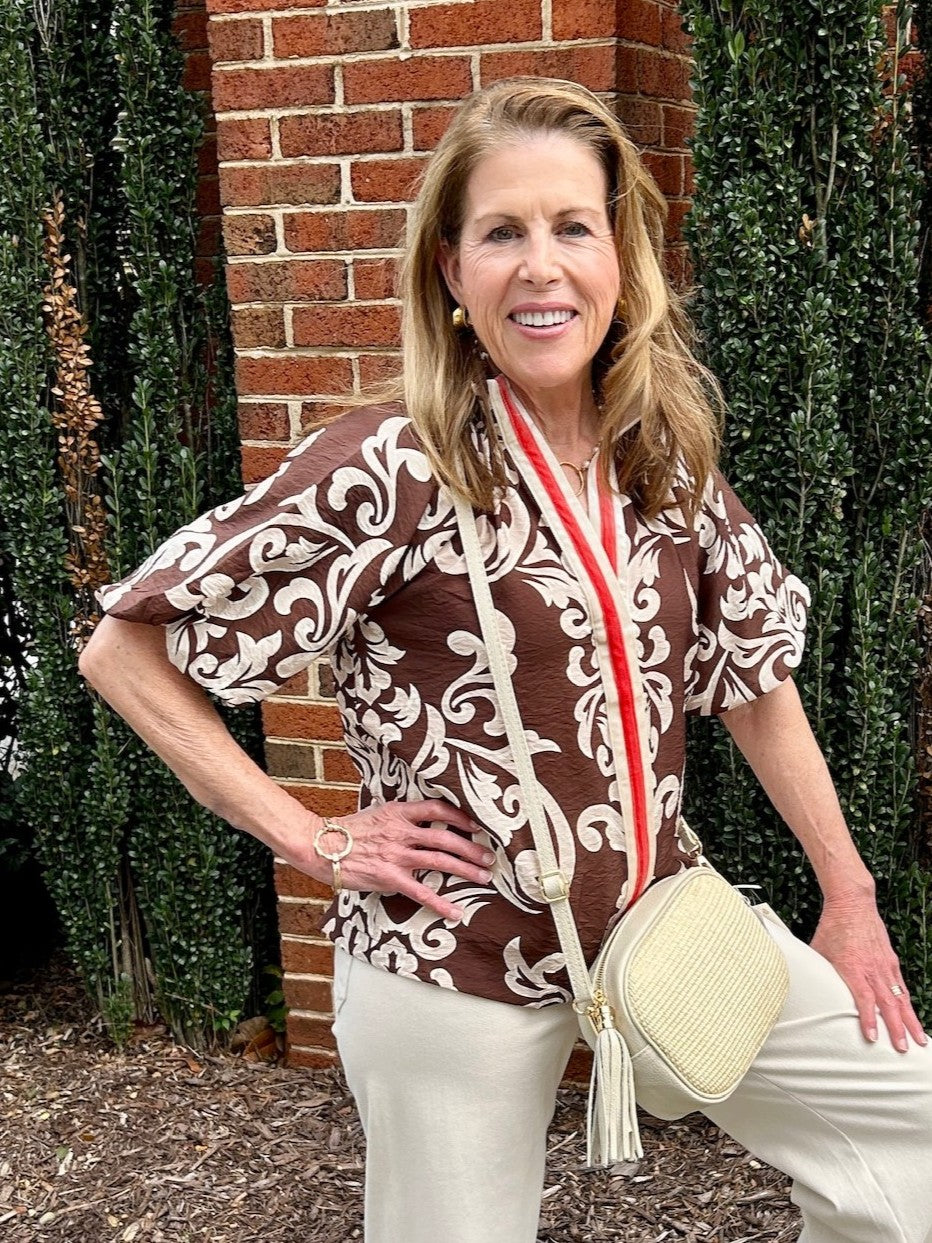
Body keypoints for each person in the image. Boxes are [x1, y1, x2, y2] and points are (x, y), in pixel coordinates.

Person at [79, 77, 931, 1243]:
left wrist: (849, 893)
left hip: (660, 933)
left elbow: (753, 679)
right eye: (500, 233)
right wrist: (312, 836)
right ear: (450, 269)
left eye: (572, 227)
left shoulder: (661, 458)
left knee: (906, 1124)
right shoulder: (392, 465)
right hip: (450, 959)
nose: (540, 268)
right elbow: (125, 648)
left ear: (619, 258)